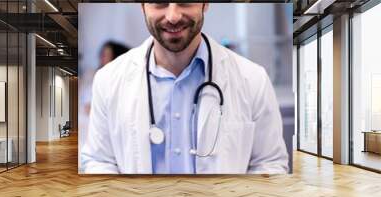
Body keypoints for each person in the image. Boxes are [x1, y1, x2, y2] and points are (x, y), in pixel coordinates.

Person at [81, 3, 289, 174]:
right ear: (142, 6)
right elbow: (99, 162)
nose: (172, 16)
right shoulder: (108, 80)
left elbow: (269, 165)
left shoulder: (252, 79)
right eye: (160, 3)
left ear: (205, 4)